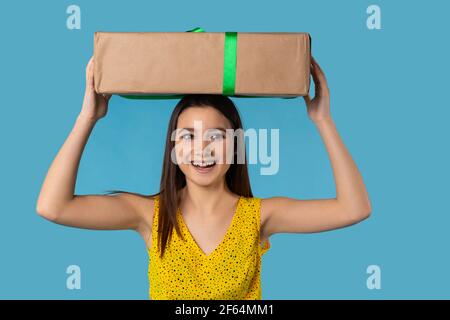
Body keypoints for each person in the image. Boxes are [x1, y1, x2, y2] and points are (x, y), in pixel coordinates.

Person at [36, 56, 371, 300]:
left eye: (216, 136)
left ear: (237, 144)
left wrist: (323, 120)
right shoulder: (149, 215)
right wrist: (87, 117)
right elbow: (53, 207)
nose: (202, 149)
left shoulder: (260, 217)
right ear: (173, 147)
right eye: (188, 137)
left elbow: (354, 209)